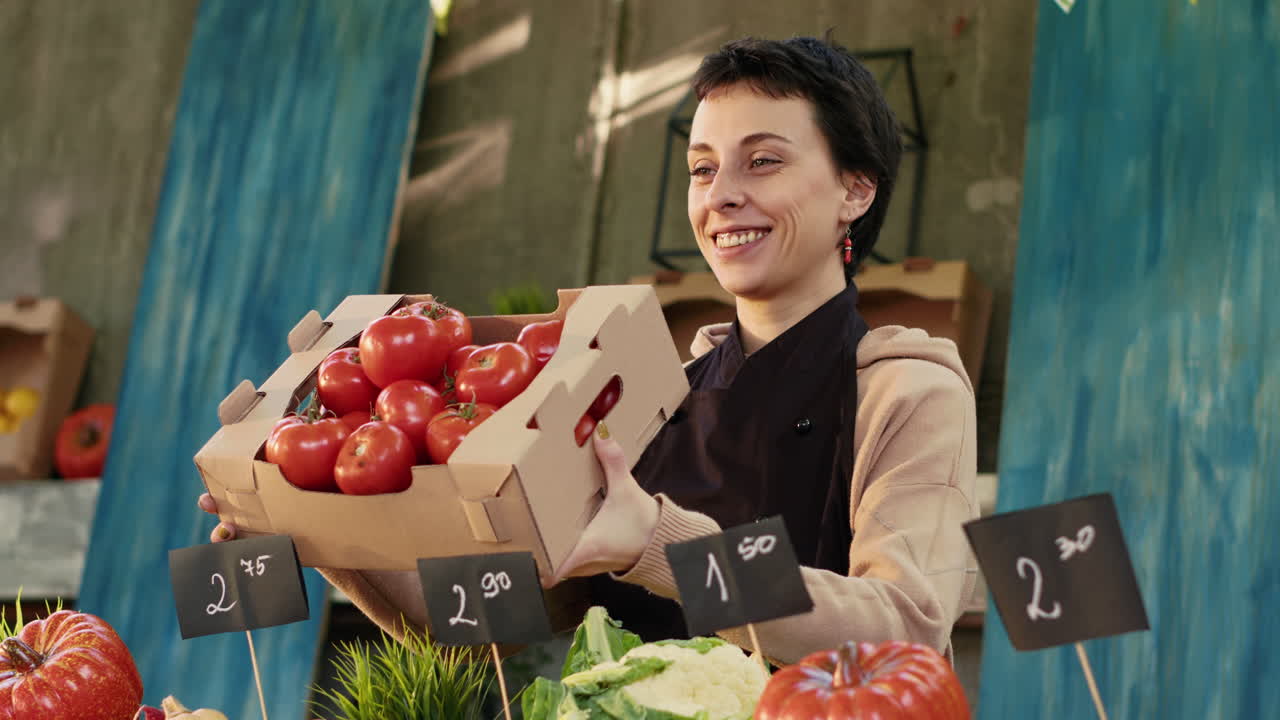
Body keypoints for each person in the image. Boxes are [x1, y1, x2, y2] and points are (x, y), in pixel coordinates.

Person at [198, 35, 978, 664]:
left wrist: (655, 541)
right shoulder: (645, 399)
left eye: (763, 160)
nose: (721, 195)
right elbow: (496, 625)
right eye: (702, 169)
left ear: (856, 189)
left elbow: (901, 631)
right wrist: (327, 529)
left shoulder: (906, 393)